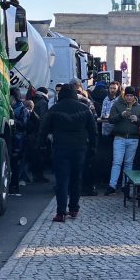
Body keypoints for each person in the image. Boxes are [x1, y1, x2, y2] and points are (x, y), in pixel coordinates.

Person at [37, 84, 96, 221]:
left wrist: (40, 147)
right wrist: (93, 148)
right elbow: (93, 131)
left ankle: (61, 213)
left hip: (60, 148)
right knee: (76, 179)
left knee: (62, 181)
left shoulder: (54, 109)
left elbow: (43, 129)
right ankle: (74, 209)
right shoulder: (84, 109)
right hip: (79, 148)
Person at [106, 87, 140, 195]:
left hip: (133, 138)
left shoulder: (139, 108)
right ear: (124, 95)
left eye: (131, 96)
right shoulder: (117, 105)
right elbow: (111, 119)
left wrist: (137, 120)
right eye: (127, 95)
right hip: (119, 137)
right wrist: (120, 115)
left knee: (128, 163)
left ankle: (125, 185)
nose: (129, 98)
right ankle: (112, 186)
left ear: (134, 97)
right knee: (117, 162)